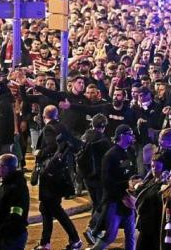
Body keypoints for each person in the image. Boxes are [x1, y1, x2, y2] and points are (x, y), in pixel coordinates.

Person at [35, 105, 83, 250]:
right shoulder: (62, 127)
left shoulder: (49, 129)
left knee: (54, 209)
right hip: (60, 173)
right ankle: (45, 243)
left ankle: (75, 239)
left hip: (50, 175)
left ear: (44, 116)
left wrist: (39, 152)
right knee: (46, 208)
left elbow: (51, 147)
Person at [89, 124, 137, 250]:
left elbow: (133, 173)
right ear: (121, 136)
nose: (132, 136)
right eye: (129, 134)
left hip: (129, 201)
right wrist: (122, 193)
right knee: (110, 235)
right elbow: (106, 181)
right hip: (114, 202)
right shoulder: (110, 155)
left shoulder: (131, 151)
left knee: (131, 234)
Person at [79, 114, 112, 245]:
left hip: (87, 176)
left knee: (95, 202)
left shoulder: (84, 137)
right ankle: (92, 228)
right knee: (102, 204)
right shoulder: (103, 141)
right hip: (99, 177)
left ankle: (96, 230)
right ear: (103, 126)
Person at [0, 153, 30, 250]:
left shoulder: (17, 188)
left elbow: (14, 217)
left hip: (10, 240)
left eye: (0, 165)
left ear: (8, 168)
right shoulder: (5, 184)